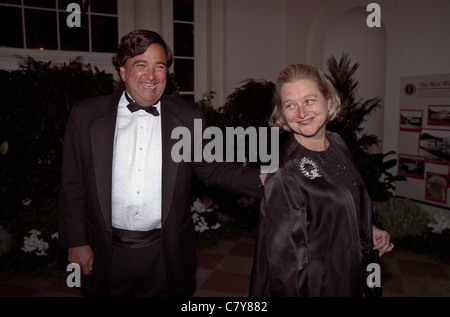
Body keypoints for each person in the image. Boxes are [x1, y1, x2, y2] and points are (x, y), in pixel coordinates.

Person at [58, 29, 263, 297]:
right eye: (140, 64)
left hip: (165, 253)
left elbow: (215, 169)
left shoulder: (187, 117)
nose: (151, 75)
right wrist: (77, 241)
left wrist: (269, 180)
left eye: (159, 66)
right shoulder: (86, 116)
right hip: (104, 250)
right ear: (122, 71)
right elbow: (73, 184)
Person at [249, 63, 393, 297]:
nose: (301, 113)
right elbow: (284, 267)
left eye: (309, 100)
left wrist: (368, 228)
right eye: (290, 105)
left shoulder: (337, 142)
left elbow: (344, 201)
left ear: (328, 100)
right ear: (282, 112)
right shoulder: (285, 170)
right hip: (322, 285)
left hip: (357, 272)